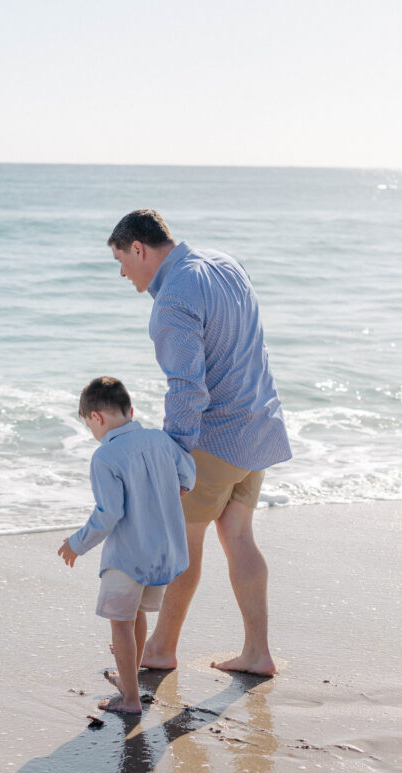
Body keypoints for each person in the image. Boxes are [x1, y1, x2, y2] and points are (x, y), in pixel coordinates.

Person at [108, 209, 292, 677]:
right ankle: (257, 652)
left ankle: (160, 650)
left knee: (182, 545)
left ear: (138, 248)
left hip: (214, 438)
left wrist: (174, 458)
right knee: (240, 538)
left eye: (121, 260)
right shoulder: (225, 263)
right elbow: (256, 346)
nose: (122, 273)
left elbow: (187, 389)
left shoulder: (172, 299)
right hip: (259, 425)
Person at [57, 376, 196, 714]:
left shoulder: (105, 457)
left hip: (128, 558)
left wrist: (77, 544)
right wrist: (175, 488)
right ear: (130, 410)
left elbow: (109, 513)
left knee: (120, 624)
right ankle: (130, 683)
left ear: (96, 418)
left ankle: (130, 699)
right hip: (161, 553)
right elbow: (189, 475)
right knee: (135, 616)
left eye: (89, 425)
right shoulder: (160, 440)